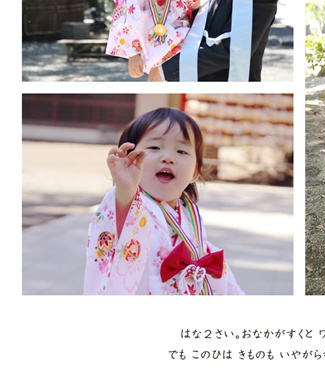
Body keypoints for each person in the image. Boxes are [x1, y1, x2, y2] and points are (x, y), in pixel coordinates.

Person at [85, 108, 244, 295]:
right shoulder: (132, 205)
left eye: (181, 151)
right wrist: (125, 188)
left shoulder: (189, 214)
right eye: (154, 148)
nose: (168, 158)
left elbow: (208, 260)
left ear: (195, 171)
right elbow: (120, 224)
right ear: (131, 158)